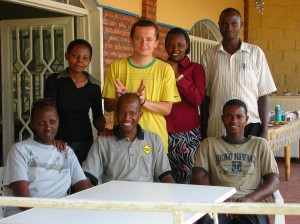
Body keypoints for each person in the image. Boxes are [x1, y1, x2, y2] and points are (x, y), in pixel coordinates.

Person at [192, 99, 279, 224]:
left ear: (246, 119)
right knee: (206, 220)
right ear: (222, 119)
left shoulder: (260, 144)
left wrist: (250, 199)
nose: (234, 121)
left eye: (239, 116)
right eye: (229, 116)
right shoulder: (209, 144)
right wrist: (217, 198)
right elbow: (197, 178)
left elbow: (274, 181)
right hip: (219, 203)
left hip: (251, 204)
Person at [102, 19, 181, 152]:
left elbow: (167, 109)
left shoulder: (165, 69)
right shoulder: (116, 67)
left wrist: (142, 101)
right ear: (131, 40)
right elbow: (108, 107)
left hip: (155, 140)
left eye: (149, 39)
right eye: (139, 38)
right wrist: (123, 100)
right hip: (121, 140)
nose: (144, 44)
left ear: (156, 43)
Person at [3, 98, 89, 216]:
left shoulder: (66, 151)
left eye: (52, 121)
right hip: (25, 215)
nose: (48, 127)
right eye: (41, 123)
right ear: (33, 124)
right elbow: (23, 201)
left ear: (58, 121)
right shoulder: (20, 150)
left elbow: (83, 188)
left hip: (58, 215)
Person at [201, 8, 277, 140]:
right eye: (224, 23)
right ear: (219, 25)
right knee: (219, 161)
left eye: (234, 23)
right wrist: (203, 129)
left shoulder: (255, 53)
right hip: (218, 127)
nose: (229, 27)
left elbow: (263, 94)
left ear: (241, 24)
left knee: (249, 161)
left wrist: (264, 130)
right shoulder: (209, 55)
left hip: (250, 126)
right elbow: (205, 97)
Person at [82, 93, 175, 185]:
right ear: (116, 114)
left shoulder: (154, 140)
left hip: (145, 198)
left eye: (132, 113)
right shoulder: (103, 141)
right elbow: (88, 177)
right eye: (122, 113)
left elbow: (166, 176)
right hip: (113, 198)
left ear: (140, 115)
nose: (127, 118)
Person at [44, 39, 106, 164]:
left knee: (82, 178)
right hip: (59, 142)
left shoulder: (94, 86)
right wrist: (52, 138)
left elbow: (98, 116)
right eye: (75, 56)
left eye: (85, 58)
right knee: (59, 178)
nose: (80, 61)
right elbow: (48, 112)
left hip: (84, 142)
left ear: (89, 61)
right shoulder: (55, 80)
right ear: (67, 56)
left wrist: (103, 130)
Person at [162, 27, 205, 184]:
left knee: (189, 179)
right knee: (164, 178)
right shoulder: (159, 67)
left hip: (188, 134)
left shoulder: (196, 68)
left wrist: (178, 76)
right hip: (162, 131)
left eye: (180, 45)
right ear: (165, 46)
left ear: (187, 45)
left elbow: (197, 99)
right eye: (171, 45)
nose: (175, 49)